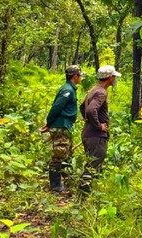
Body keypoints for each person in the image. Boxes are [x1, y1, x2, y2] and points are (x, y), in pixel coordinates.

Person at [42, 65, 85, 193]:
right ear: (75, 76)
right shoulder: (68, 91)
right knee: (59, 154)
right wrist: (49, 123)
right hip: (60, 125)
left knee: (66, 153)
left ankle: (66, 180)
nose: (81, 78)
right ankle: (55, 186)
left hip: (64, 125)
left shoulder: (70, 89)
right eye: (80, 75)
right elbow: (56, 107)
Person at [79, 65, 120, 191]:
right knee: (93, 165)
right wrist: (98, 125)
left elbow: (82, 108)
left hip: (88, 133)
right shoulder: (101, 92)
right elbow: (91, 110)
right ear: (110, 78)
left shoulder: (93, 89)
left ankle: (90, 193)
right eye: (114, 77)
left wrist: (89, 122)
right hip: (95, 136)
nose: (115, 80)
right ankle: (83, 195)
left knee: (93, 163)